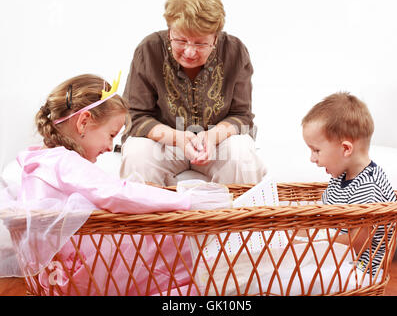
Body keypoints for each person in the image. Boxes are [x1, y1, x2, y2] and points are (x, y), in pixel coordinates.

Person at [3, 73, 231, 295]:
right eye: (111, 134)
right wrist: (186, 201)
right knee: (176, 237)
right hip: (82, 272)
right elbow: (115, 193)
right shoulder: (63, 160)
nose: (111, 147)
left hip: (58, 275)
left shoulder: (35, 160)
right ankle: (219, 280)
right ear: (83, 122)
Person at [120, 0, 267, 186]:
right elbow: (135, 117)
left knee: (241, 152)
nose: (189, 52)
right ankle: (149, 216)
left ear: (216, 37)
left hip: (217, 141)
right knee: (137, 153)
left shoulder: (235, 51)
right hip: (164, 142)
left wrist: (212, 137)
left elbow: (241, 116)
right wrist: (177, 138)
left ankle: (237, 216)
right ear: (169, 31)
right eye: (180, 40)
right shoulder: (149, 49)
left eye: (200, 43)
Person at [301, 92, 396, 274]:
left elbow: (357, 243)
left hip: (358, 270)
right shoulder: (339, 179)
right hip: (335, 257)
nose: (312, 158)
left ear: (345, 148)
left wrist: (310, 245)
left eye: (316, 150)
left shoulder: (369, 187)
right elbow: (324, 218)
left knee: (288, 278)